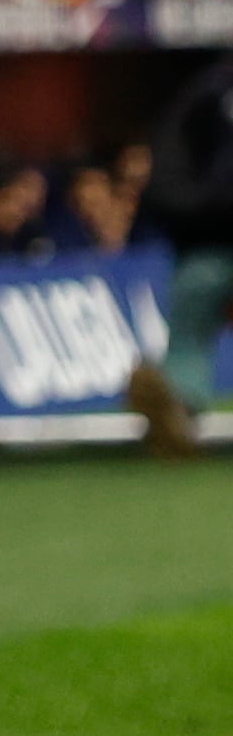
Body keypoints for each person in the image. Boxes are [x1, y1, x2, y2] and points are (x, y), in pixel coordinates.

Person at [127, 56, 233, 454]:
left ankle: (179, 404)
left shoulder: (204, 92)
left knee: (189, 329)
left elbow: (166, 172)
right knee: (194, 306)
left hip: (205, 247)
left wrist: (194, 221)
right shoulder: (207, 94)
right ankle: (175, 410)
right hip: (209, 247)